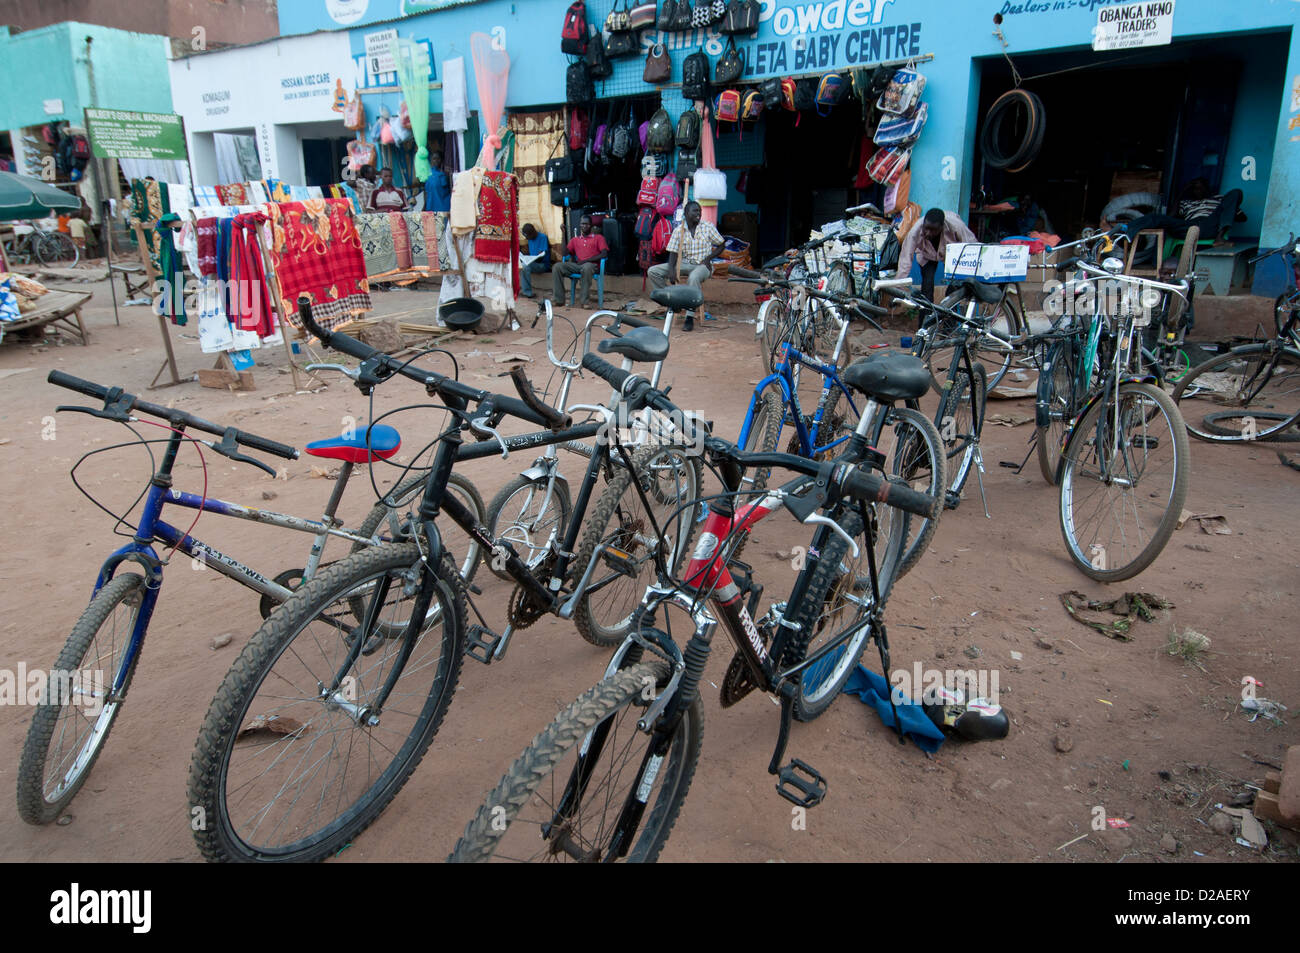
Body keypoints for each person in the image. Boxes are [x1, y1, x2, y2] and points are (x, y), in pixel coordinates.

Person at [1116, 179, 1242, 265]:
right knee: (1156, 217)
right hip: (1187, 227)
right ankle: (1124, 232)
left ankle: (1220, 238)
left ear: (1207, 188)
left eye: (1201, 187)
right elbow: (1171, 216)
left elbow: (1241, 217)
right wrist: (1184, 191)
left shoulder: (1219, 199)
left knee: (1236, 192)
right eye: (1195, 188)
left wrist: (1231, 208)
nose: (1198, 190)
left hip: (1210, 224)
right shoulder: (1186, 202)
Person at [648, 201, 724, 331]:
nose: (698, 213)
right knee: (653, 271)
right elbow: (673, 251)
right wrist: (671, 270)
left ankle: (689, 316)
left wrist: (708, 258)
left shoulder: (707, 227)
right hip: (684, 263)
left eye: (699, 211)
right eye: (695, 211)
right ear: (686, 214)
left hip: (702, 266)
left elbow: (721, 244)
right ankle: (671, 301)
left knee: (693, 277)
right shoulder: (679, 230)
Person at [898, 207, 977, 306]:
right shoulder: (915, 231)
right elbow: (905, 259)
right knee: (927, 287)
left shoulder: (956, 226)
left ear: (942, 227)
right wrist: (898, 289)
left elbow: (972, 246)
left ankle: (948, 317)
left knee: (953, 289)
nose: (928, 233)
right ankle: (926, 318)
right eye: (926, 228)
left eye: (933, 230)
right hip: (926, 254)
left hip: (951, 256)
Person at [552, 214, 607, 307]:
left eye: (587, 224)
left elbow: (604, 254)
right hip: (578, 266)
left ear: (591, 225)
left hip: (592, 266)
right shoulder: (575, 240)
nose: (584, 226)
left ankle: (584, 302)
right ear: (580, 225)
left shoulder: (598, 238)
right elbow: (565, 253)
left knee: (587, 267)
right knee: (557, 267)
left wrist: (587, 260)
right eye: (582, 224)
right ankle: (559, 300)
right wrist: (563, 234)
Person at [519, 223, 551, 298]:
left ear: (533, 233)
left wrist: (531, 259)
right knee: (522, 265)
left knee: (525, 266)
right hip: (533, 263)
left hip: (542, 265)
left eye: (528, 236)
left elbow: (541, 257)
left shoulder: (542, 237)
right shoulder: (530, 239)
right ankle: (525, 290)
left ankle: (527, 292)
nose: (527, 239)